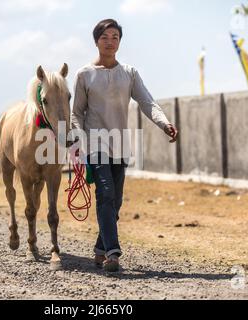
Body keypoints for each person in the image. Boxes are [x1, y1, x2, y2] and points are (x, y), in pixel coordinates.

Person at [71, 19, 179, 272]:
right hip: (95, 143)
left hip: (120, 144)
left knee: (115, 202)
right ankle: (113, 252)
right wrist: (80, 139)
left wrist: (164, 123)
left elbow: (147, 102)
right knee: (105, 193)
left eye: (115, 37)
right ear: (96, 40)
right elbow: (76, 113)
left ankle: (99, 248)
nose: (110, 42)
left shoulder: (129, 73)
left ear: (120, 41)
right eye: (105, 37)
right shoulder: (84, 74)